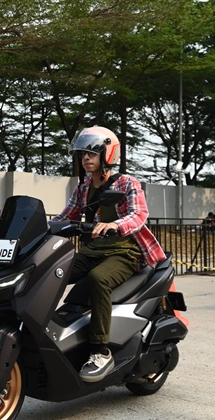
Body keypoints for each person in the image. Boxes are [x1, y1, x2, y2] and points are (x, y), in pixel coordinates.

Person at [50, 126, 166, 382]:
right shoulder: (83, 188)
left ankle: (101, 352)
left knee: (98, 279)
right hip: (94, 250)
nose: (86, 158)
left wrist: (115, 225)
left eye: (92, 153)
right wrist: (40, 227)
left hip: (124, 252)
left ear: (107, 155)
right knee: (53, 271)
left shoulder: (127, 183)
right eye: (83, 154)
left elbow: (139, 214)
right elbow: (65, 216)